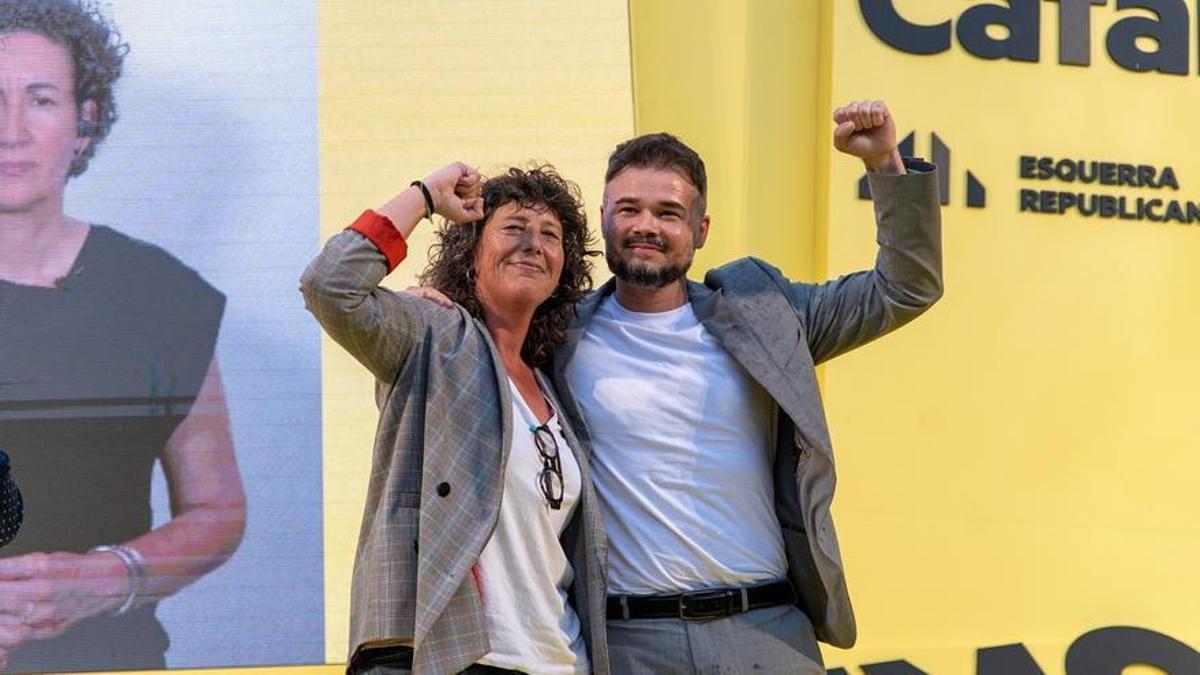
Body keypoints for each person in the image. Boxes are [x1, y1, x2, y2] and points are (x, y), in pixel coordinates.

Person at [552, 101, 943, 673]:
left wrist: (884, 162)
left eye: (668, 212)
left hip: (768, 633)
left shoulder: (765, 314)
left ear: (700, 229)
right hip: (631, 642)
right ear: (604, 217)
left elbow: (907, 287)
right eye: (629, 209)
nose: (646, 227)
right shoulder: (554, 334)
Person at [0, 0, 245, 671]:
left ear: (85, 121)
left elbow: (218, 508)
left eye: (41, 99)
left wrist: (109, 576)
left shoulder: (159, 294)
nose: (11, 129)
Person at [301, 163, 609, 674]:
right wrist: (424, 196)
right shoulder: (434, 336)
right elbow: (329, 285)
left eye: (550, 235)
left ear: (563, 271)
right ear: (471, 257)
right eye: (513, 228)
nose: (533, 242)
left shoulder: (556, 386)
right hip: (452, 655)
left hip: (560, 660)